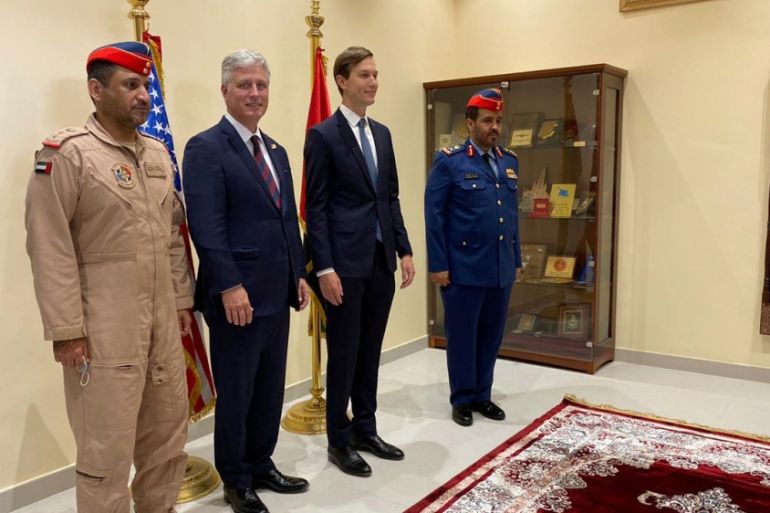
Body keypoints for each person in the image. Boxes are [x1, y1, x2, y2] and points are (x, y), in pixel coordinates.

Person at [25, 41, 193, 513]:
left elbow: (172, 235)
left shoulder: (157, 153)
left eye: (147, 86)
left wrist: (182, 300)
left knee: (166, 444)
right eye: (131, 84)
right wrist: (66, 331)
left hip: (162, 327)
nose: (144, 96)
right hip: (103, 335)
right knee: (106, 457)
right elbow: (49, 245)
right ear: (96, 91)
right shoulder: (67, 155)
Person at [182, 49, 310, 513]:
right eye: (244, 85)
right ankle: (236, 480)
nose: (254, 93)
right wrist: (229, 286)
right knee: (237, 392)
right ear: (225, 91)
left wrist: (299, 273)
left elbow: (286, 219)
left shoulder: (275, 150)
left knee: (269, 387)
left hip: (277, 291)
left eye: (261, 84)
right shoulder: (205, 147)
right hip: (237, 298)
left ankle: (261, 463)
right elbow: (207, 227)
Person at [304, 46, 415, 477]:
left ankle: (366, 429)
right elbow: (316, 207)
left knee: (370, 351)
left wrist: (404, 249)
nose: (373, 82)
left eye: (375, 74)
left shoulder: (382, 134)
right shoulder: (324, 136)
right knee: (345, 354)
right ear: (342, 80)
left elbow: (390, 197)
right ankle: (339, 439)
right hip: (343, 266)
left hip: (380, 259)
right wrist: (325, 268)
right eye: (364, 75)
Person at [424, 88, 523, 427]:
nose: (494, 127)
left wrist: (516, 259)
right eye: (487, 120)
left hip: (500, 267)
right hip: (463, 268)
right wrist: (438, 265)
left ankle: (483, 394)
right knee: (463, 337)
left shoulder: (509, 161)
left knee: (491, 336)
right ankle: (463, 398)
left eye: (498, 121)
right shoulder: (450, 162)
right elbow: (434, 216)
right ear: (470, 123)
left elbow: (511, 216)